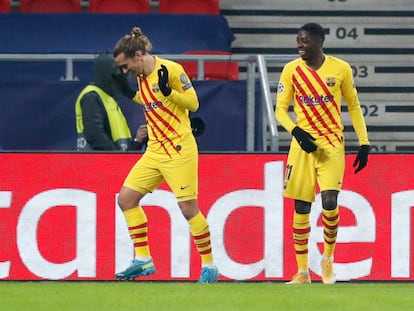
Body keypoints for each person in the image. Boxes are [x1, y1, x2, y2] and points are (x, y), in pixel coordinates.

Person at [111, 27, 219, 283]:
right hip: (155, 150)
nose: (125, 71)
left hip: (179, 149)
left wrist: (171, 92)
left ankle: (210, 266)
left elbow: (193, 103)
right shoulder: (140, 76)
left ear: (138, 55)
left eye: (126, 66)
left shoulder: (170, 70)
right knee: (126, 199)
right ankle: (143, 258)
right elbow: (151, 101)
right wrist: (127, 92)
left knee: (188, 208)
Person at [275, 23, 370, 285]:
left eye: (304, 40)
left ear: (319, 41)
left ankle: (327, 260)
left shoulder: (340, 68)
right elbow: (280, 110)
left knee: (329, 201)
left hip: (331, 144)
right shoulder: (291, 70)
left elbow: (353, 105)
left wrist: (364, 142)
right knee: (301, 205)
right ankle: (302, 271)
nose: (299, 45)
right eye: (298, 40)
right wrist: (296, 131)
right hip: (302, 146)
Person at [75, 54, 148, 151]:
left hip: (113, 162)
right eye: (119, 71)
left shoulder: (109, 99)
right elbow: (95, 135)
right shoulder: (92, 96)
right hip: (97, 163)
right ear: (108, 73)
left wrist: (137, 141)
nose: (122, 75)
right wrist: (116, 157)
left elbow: (120, 144)